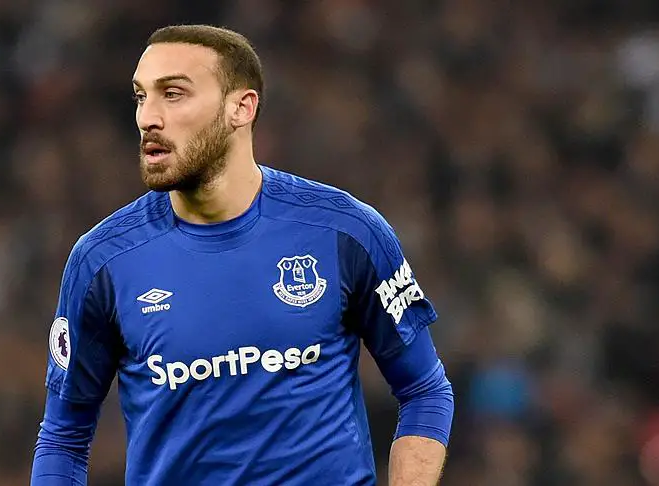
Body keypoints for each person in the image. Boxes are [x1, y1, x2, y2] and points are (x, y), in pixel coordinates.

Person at [30, 24, 454, 486]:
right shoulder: (103, 260)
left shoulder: (345, 232)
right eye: (141, 96)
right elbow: (63, 436)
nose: (148, 117)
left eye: (173, 94)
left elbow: (424, 390)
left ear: (241, 108)